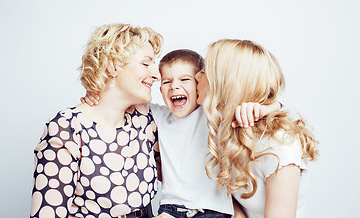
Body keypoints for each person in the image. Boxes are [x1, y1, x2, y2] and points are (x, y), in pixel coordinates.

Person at [82, 49, 281, 218]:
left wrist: (269, 107)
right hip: (171, 210)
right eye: (166, 82)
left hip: (215, 211)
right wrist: (96, 92)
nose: (175, 86)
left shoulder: (214, 114)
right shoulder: (158, 116)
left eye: (185, 79)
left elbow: (276, 108)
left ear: (199, 85)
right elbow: (120, 97)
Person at [30, 23, 163, 218]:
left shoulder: (144, 118)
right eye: (145, 63)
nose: (156, 75)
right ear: (112, 65)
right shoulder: (67, 127)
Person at [195, 39, 319, 218]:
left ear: (226, 83)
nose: (196, 76)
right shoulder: (224, 127)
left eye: (204, 71)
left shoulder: (279, 146)